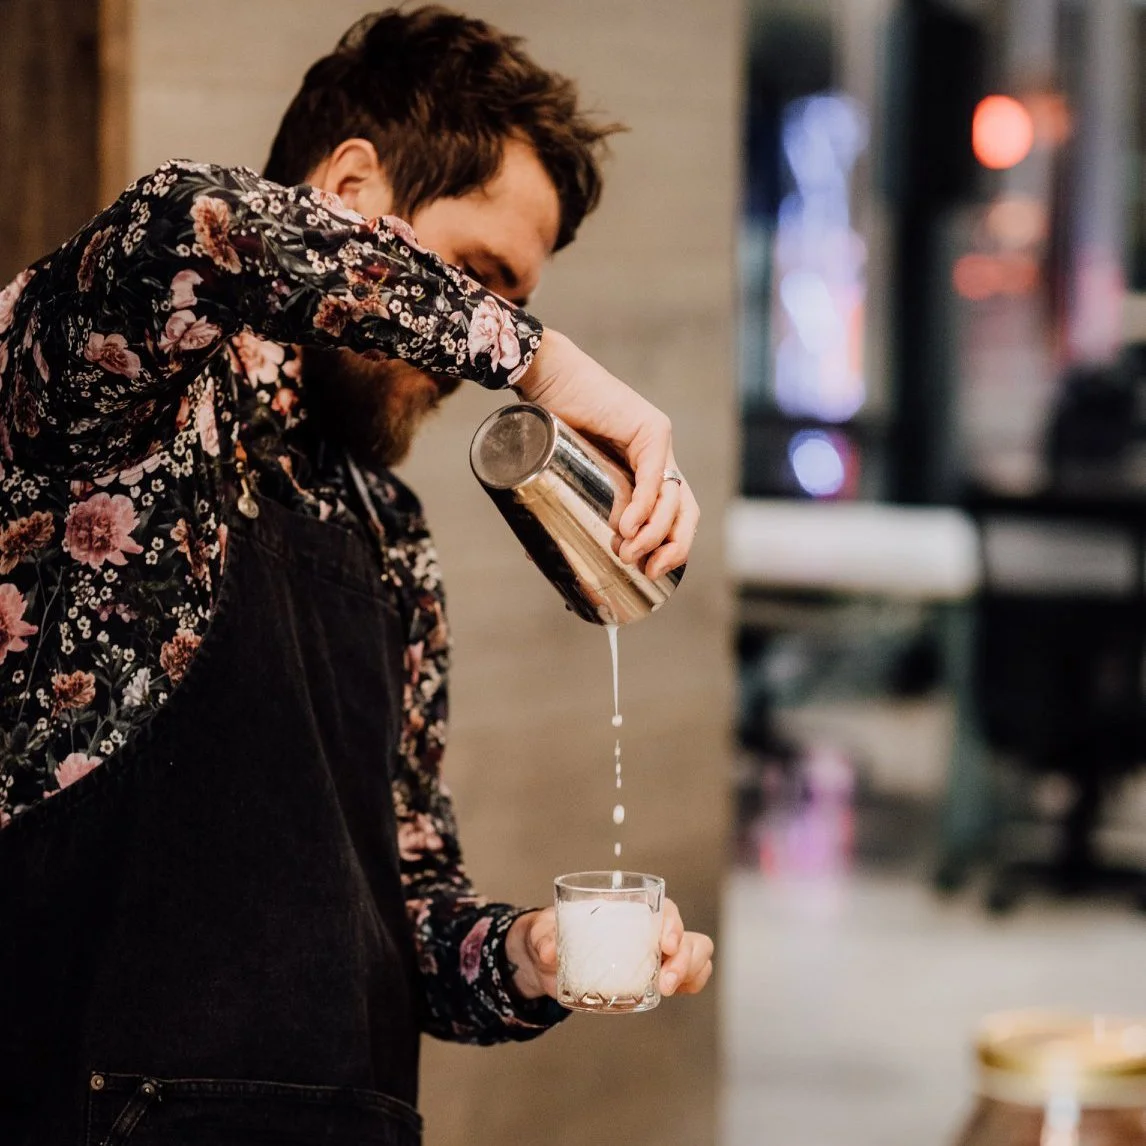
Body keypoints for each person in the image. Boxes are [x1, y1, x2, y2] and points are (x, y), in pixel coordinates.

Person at [0, 6, 712, 1145]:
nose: (468, 352)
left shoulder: (389, 529)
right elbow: (187, 221)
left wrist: (527, 956)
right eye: (478, 281)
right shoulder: (107, 411)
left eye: (514, 306)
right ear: (348, 193)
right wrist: (548, 362)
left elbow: (404, 913)